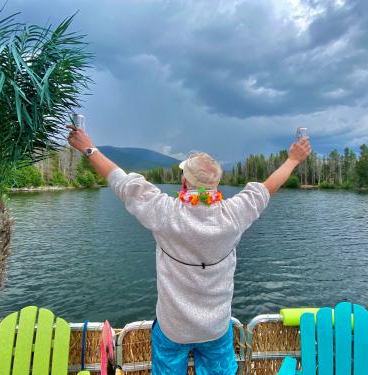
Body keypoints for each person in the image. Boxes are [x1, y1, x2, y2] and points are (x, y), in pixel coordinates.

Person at [66, 125, 311, 374]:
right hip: (215, 327)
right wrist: (293, 159)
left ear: (184, 182)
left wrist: (88, 148)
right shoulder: (235, 215)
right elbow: (267, 188)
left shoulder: (165, 213)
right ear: (216, 184)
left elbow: (121, 181)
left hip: (173, 328)